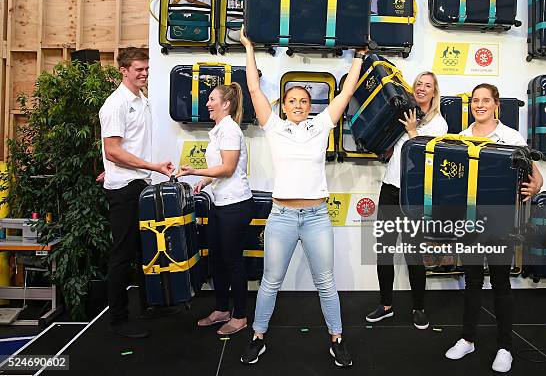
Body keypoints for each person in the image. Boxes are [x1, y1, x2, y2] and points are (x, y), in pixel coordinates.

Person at [239, 27, 366, 367]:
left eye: (303, 101)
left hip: (315, 218)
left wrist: (359, 59)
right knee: (270, 282)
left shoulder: (321, 126)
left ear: (311, 106)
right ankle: (258, 336)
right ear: (284, 105)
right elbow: (253, 87)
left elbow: (346, 91)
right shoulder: (274, 127)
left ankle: (336, 339)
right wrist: (249, 47)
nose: (297, 105)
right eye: (292, 100)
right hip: (281, 217)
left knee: (326, 282)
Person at [444, 83, 543, 373]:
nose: (480, 105)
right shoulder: (459, 138)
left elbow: (536, 179)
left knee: (501, 282)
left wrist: (536, 185)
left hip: (501, 221)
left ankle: (505, 347)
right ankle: (467, 338)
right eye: (475, 100)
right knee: (472, 281)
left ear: (496, 104)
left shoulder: (512, 137)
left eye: (485, 100)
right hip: (469, 223)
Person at [99, 47, 176, 338]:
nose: (143, 73)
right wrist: (151, 166)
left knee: (147, 250)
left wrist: (115, 165)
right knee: (122, 254)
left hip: (138, 182)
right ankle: (118, 319)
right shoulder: (116, 104)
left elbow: (121, 148)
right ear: (124, 71)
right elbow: (113, 149)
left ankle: (149, 305)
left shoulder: (141, 99)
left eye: (146, 69)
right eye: (138, 69)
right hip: (125, 188)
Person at [365, 72, 448, 329]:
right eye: (419, 84)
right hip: (390, 189)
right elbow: (391, 150)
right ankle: (386, 304)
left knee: (413, 254)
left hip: (414, 196)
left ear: (434, 93)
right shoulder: (403, 112)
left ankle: (419, 308)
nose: (422, 89)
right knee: (384, 251)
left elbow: (426, 160)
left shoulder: (439, 125)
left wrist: (412, 131)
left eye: (428, 86)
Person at [176, 83, 254, 335]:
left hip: (236, 205)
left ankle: (240, 316)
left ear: (226, 104)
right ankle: (222, 309)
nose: (207, 104)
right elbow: (221, 168)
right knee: (218, 260)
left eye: (211, 99)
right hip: (221, 203)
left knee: (232, 262)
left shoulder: (229, 130)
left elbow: (229, 168)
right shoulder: (220, 130)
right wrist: (205, 180)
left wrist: (195, 171)